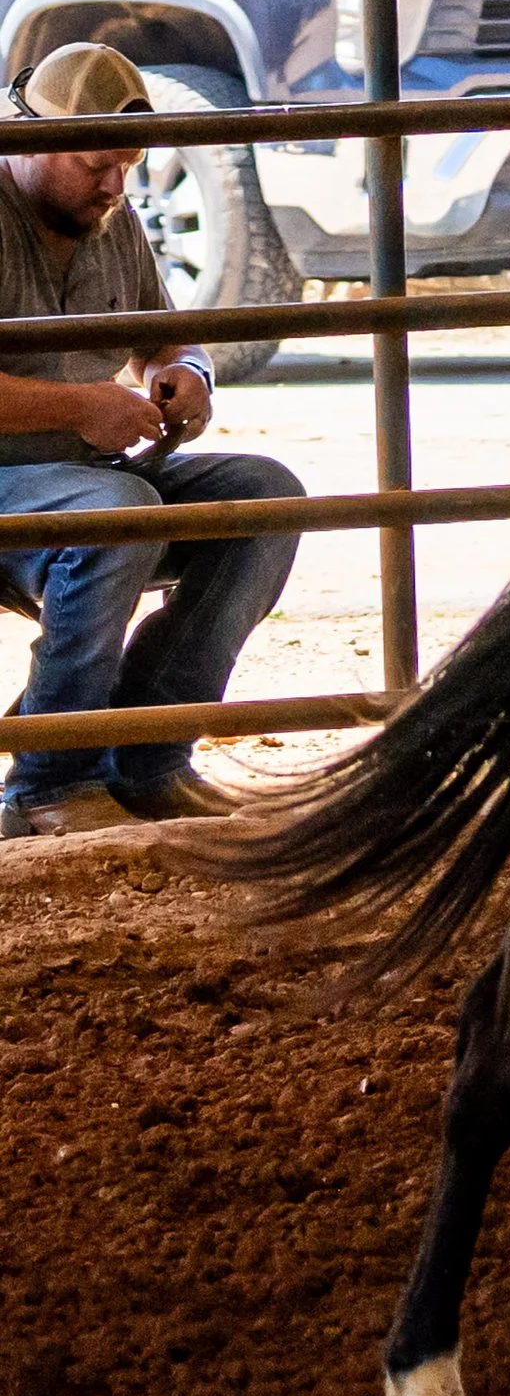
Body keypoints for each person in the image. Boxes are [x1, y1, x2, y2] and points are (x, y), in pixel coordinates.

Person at [0, 43, 305, 836]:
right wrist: (79, 406)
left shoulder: (111, 219)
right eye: (99, 165)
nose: (116, 187)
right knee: (120, 506)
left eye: (128, 167)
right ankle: (49, 780)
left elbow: (170, 337)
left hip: (85, 475)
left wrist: (191, 374)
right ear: (31, 142)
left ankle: (146, 752)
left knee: (264, 496)